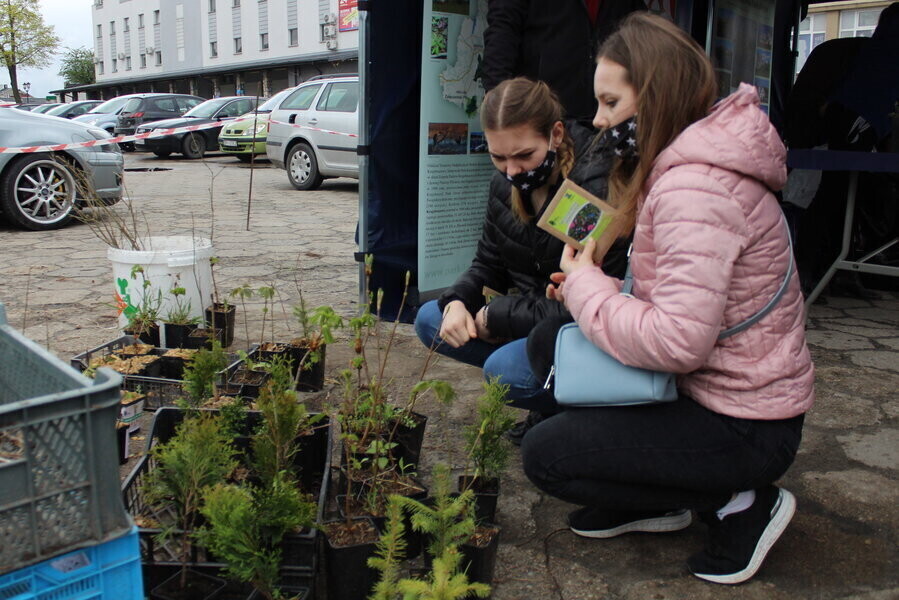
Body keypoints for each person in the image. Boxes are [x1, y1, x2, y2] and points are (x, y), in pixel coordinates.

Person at [521, 13, 814, 585]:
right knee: (547, 342)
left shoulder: (694, 188)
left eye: (610, 103)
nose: (598, 120)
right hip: (709, 390)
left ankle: (740, 501)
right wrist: (592, 286)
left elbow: (678, 341)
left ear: (656, 96)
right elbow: (678, 305)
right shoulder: (687, 165)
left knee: (546, 457)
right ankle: (651, 496)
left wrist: (586, 286)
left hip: (744, 424)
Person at [414, 77, 628, 440]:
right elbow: (488, 263)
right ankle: (548, 393)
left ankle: (568, 406)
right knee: (431, 318)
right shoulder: (503, 185)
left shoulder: (594, 187)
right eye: (498, 157)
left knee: (504, 371)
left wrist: (496, 316)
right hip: (532, 314)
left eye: (524, 155)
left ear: (555, 135)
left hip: (584, 327)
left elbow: (597, 303)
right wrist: (458, 302)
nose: (511, 170)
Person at [483, 0, 646, 121]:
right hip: (544, 114)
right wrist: (498, 103)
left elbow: (641, 30)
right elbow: (502, 33)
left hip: (609, 115)